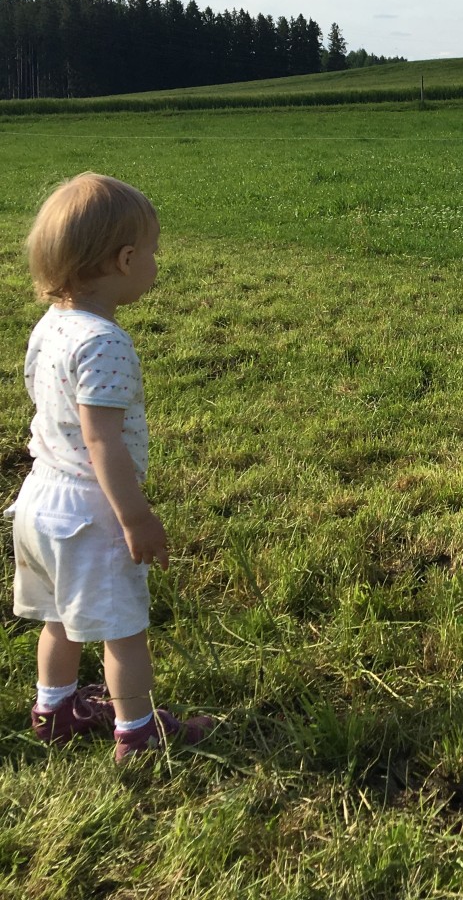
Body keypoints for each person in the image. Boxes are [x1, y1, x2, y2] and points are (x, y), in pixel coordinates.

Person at [4, 173, 211, 762]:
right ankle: (138, 733)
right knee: (124, 629)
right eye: (152, 252)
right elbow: (103, 443)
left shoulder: (51, 325)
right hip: (91, 509)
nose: (155, 262)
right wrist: (136, 518)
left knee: (57, 619)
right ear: (124, 260)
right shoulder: (105, 341)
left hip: (39, 500)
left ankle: (54, 709)